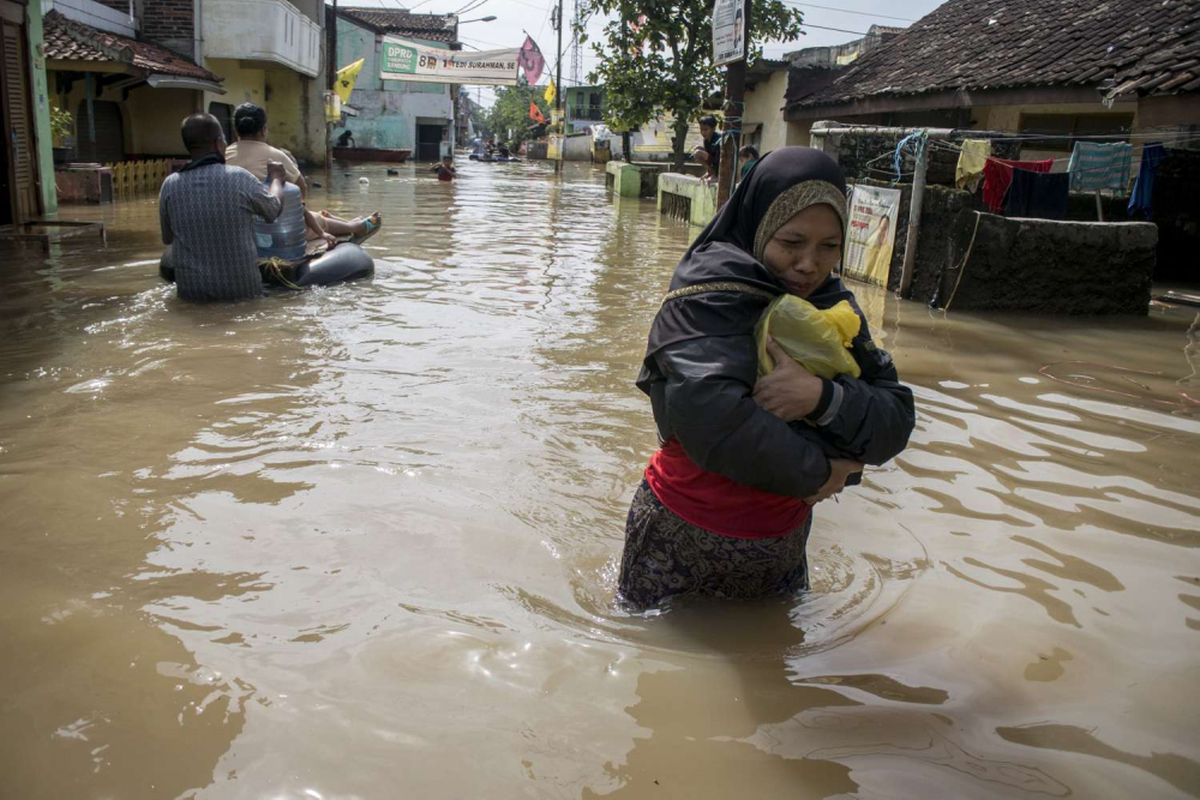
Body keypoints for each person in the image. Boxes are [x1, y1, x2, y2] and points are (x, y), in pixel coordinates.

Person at [618, 147, 916, 610]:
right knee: (651, 655)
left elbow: (895, 417)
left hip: (781, 541)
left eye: (829, 247)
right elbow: (710, 417)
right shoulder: (707, 295)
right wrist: (825, 473)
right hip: (682, 535)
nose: (808, 264)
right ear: (758, 227)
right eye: (791, 243)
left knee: (774, 661)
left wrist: (820, 397)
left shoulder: (831, 307)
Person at [159, 113, 286, 302]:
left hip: (193, 295)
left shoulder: (169, 185)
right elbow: (273, 210)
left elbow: (168, 238)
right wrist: (276, 178)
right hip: (243, 293)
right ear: (219, 143)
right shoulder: (240, 178)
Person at [225, 103, 380, 249]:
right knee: (317, 220)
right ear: (264, 129)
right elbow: (301, 189)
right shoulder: (275, 156)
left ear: (236, 130)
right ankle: (355, 227)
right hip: (274, 229)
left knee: (309, 215)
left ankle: (339, 222)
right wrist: (300, 211)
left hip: (233, 226)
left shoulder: (225, 154)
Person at [691, 115, 722, 181]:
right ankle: (709, 172)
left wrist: (716, 174)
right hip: (713, 161)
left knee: (698, 153)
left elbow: (718, 159)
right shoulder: (706, 140)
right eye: (701, 129)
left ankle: (715, 174)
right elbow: (708, 155)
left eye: (706, 130)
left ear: (713, 129)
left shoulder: (719, 140)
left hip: (720, 164)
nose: (703, 132)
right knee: (697, 148)